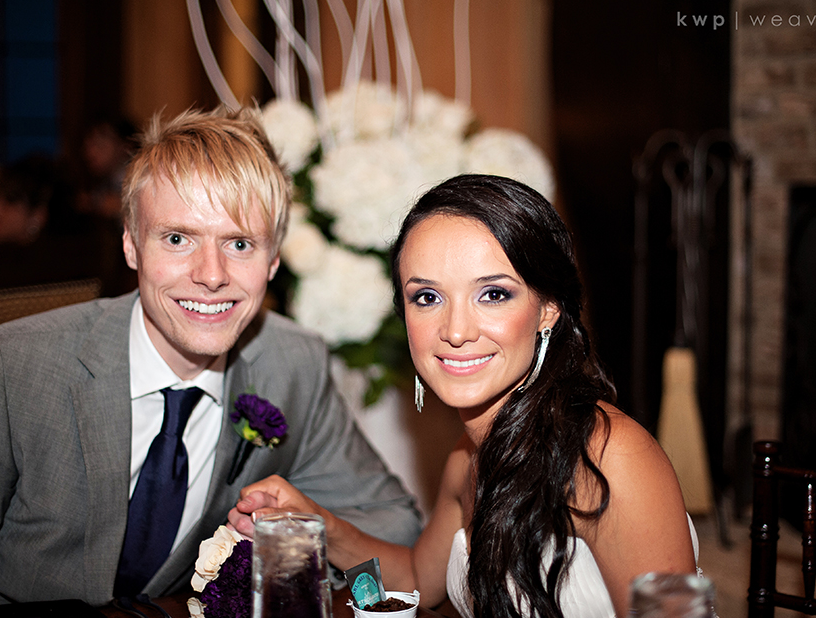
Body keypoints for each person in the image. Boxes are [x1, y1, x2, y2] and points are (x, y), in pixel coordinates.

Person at [0, 107, 421, 615]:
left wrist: (300, 533)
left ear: (273, 260)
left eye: (239, 243)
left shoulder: (292, 361)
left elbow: (396, 524)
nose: (212, 275)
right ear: (132, 244)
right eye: (178, 239)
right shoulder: (11, 370)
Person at [230, 174, 699, 618]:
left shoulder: (609, 456)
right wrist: (315, 521)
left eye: (492, 294)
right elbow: (418, 581)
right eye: (427, 298)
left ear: (548, 308)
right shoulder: (467, 458)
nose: (455, 331)